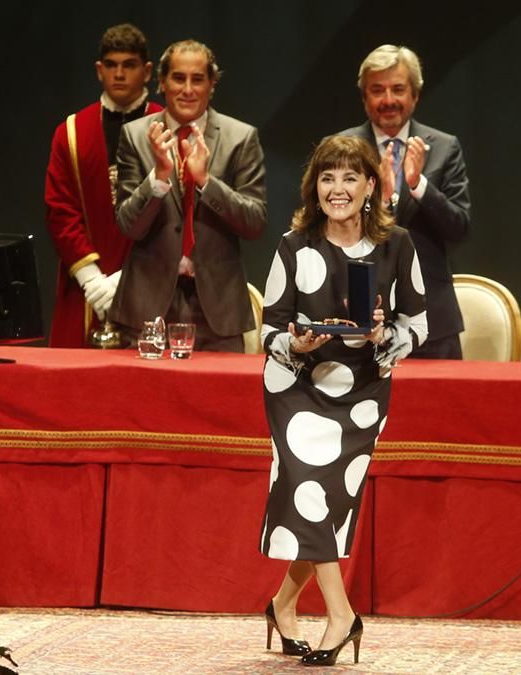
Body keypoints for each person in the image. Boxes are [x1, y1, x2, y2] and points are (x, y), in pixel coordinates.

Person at [257, 135, 426, 666]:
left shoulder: (397, 244)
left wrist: (382, 337)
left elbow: (417, 323)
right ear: (316, 188)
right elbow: (268, 328)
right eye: (328, 178)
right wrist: (296, 341)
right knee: (309, 492)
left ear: (370, 186)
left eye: (350, 178)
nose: (338, 189)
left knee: (328, 505)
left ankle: (283, 605)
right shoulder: (294, 244)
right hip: (298, 386)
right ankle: (342, 616)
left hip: (363, 390)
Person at [111, 39, 266, 351]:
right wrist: (159, 177)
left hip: (218, 312)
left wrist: (206, 181)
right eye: (179, 78)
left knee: (217, 401)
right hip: (147, 306)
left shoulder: (241, 138)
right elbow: (129, 226)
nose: (188, 89)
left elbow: (254, 222)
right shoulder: (136, 135)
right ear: (162, 83)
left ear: (212, 85)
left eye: (198, 79)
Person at [335, 44, 469, 359]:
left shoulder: (444, 148)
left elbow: (459, 228)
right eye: (377, 90)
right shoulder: (341, 149)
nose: (389, 100)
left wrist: (417, 184)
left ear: (415, 95)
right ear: (364, 97)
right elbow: (323, 227)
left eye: (398, 89)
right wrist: (377, 199)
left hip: (432, 320)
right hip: (357, 317)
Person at [43, 24, 162, 348]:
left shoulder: (167, 127)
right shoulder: (71, 131)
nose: (119, 74)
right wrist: (91, 278)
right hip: (87, 288)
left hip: (153, 282)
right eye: (111, 65)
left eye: (129, 65)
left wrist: (128, 278)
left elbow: (174, 214)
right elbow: (60, 209)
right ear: (99, 70)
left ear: (147, 71)